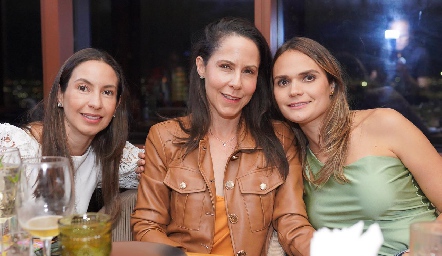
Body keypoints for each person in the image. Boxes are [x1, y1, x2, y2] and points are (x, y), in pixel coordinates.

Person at [131, 17, 314, 256]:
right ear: (201, 66)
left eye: (248, 71)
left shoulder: (280, 138)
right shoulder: (164, 137)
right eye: (226, 66)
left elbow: (291, 222)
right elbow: (146, 226)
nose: (236, 83)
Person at [271, 37, 442, 256]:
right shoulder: (292, 157)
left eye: (308, 78)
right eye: (283, 82)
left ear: (332, 85)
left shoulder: (384, 123)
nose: (294, 90)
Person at [0, 48, 141, 222]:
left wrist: (149, 168)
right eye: (83, 88)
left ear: (117, 105)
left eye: (107, 92)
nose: (96, 103)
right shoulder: (16, 147)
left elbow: (161, 167)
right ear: (60, 94)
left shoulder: (105, 153)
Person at [383, 18, 431, 104]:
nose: (398, 40)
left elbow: (424, 91)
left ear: (410, 35)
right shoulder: (385, 52)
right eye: (394, 36)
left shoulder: (419, 54)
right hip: (386, 104)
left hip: (411, 105)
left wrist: (405, 74)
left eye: (402, 36)